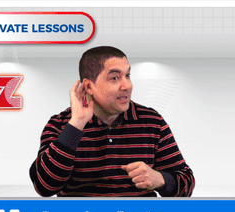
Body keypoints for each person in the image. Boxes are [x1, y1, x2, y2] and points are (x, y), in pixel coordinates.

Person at [29, 46, 195, 197]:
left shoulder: (152, 121)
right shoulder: (61, 125)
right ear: (88, 87)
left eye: (127, 75)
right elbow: (44, 187)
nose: (127, 85)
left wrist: (160, 179)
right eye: (115, 78)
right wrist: (77, 124)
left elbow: (187, 182)